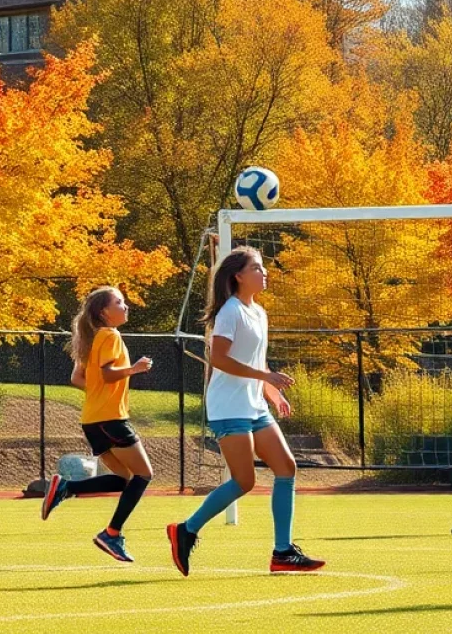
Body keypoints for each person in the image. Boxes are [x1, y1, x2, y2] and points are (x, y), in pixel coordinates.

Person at [167, 247, 324, 576]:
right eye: (257, 268)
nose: (264, 273)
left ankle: (282, 552)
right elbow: (219, 359)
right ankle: (186, 529)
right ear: (238, 275)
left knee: (286, 467)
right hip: (228, 406)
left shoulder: (260, 313)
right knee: (244, 480)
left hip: (253, 405)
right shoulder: (230, 312)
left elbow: (257, 362)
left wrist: (271, 391)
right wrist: (265, 377)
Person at [40, 286, 154, 563]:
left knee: (125, 479)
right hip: (111, 420)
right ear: (104, 311)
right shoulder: (110, 335)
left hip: (93, 421)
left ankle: (67, 488)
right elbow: (108, 373)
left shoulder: (94, 339)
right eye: (119, 302)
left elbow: (78, 379)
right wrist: (134, 369)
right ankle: (111, 533)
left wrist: (102, 393)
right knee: (143, 475)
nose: (125, 306)